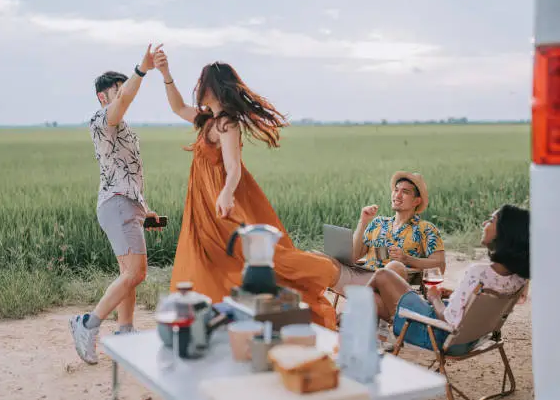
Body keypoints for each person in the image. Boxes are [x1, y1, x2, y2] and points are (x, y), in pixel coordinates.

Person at [152, 49, 351, 329]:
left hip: (221, 204)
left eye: (203, 83)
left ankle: (329, 273)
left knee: (249, 258)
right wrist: (165, 73)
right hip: (203, 204)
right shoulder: (208, 120)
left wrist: (225, 194)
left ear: (214, 87)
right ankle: (209, 316)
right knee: (208, 260)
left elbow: (233, 167)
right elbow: (177, 108)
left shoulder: (227, 123)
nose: (198, 88)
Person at [69, 43, 164, 365]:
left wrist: (144, 208)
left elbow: (124, 172)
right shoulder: (103, 120)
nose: (124, 95)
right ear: (103, 96)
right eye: (118, 90)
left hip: (127, 203)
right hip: (117, 204)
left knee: (128, 272)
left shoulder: (120, 126)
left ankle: (124, 330)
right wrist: (143, 69)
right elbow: (124, 100)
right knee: (136, 273)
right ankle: (88, 324)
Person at [368, 204, 529, 355]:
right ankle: (362, 321)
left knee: (383, 275)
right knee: (375, 299)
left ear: (505, 233)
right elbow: (484, 301)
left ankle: (352, 313)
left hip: (435, 335)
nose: (484, 223)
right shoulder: (519, 277)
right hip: (469, 339)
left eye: (492, 220)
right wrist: (456, 293)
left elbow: (448, 319)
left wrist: (434, 298)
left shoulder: (479, 273)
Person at [339, 171, 446, 288]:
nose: (397, 195)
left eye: (405, 192)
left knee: (394, 266)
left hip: (393, 283)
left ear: (416, 201)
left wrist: (407, 259)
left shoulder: (426, 229)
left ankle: (366, 290)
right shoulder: (378, 223)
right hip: (365, 277)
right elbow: (353, 257)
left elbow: (440, 265)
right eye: (396, 190)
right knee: (329, 260)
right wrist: (363, 221)